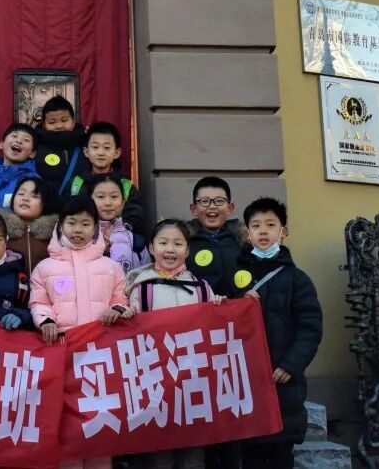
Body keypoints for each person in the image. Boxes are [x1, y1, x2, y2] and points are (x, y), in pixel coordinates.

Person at [125, 219, 225, 469]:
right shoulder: (141, 287)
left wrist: (223, 305)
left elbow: (214, 325)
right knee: (160, 453)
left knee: (193, 453)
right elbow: (131, 328)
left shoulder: (201, 288)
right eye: (163, 243)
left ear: (188, 250)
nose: (170, 249)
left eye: (178, 244)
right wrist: (126, 314)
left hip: (193, 380)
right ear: (151, 247)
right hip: (155, 380)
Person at [233, 198, 323, 469]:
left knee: (280, 454)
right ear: (247, 233)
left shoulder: (298, 280)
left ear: (284, 231)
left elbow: (310, 327)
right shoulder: (234, 275)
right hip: (245, 379)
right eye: (256, 225)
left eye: (271, 225)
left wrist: (291, 364)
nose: (263, 231)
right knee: (249, 455)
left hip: (282, 381)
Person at [29, 196, 129, 349]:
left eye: (85, 224)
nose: (78, 229)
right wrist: (46, 321)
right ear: (60, 225)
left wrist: (117, 310)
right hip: (62, 345)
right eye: (71, 223)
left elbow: (121, 301)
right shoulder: (43, 268)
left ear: (95, 228)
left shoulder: (112, 268)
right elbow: (39, 303)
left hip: (103, 345)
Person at [69, 122, 144, 230]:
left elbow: (135, 218)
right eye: (95, 147)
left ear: (117, 153)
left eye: (107, 147)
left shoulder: (126, 186)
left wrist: (121, 231)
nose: (101, 152)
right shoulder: (76, 183)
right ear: (86, 152)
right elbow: (66, 215)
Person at [185, 176, 244, 297]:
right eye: (204, 201)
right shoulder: (183, 242)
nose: (212, 206)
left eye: (219, 201)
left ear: (230, 208)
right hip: (200, 307)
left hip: (238, 307)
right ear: (194, 209)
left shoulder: (244, 240)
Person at [87, 174, 150, 274]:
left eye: (114, 196)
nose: (108, 202)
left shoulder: (136, 243)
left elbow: (146, 280)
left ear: (123, 202)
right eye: (101, 197)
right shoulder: (78, 239)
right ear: (89, 201)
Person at [34, 96, 89, 200]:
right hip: (44, 206)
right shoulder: (35, 146)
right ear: (44, 125)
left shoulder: (86, 145)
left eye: (64, 120)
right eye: (52, 122)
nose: (59, 126)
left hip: (77, 207)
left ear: (73, 122)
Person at [0, 176, 58, 271]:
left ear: (45, 203)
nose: (25, 198)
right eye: (21, 194)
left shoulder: (56, 234)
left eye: (34, 196)